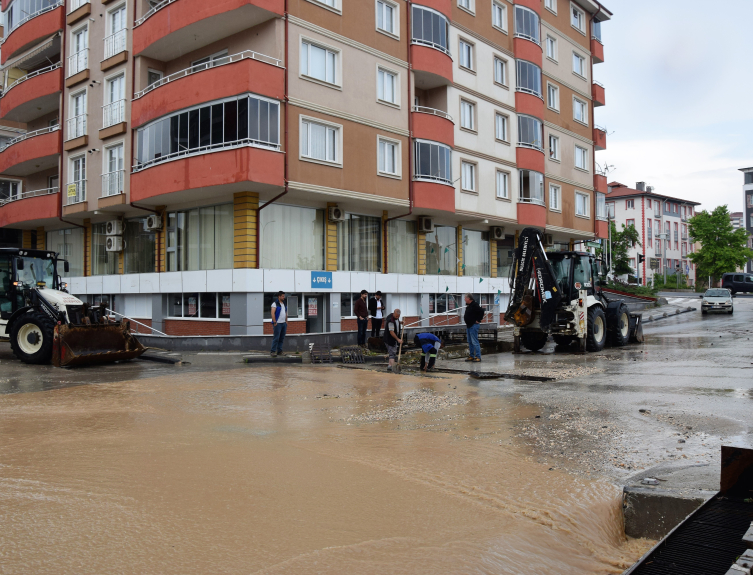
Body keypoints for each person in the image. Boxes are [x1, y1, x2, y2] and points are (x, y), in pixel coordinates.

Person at [463, 293, 485, 362]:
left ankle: (478, 356)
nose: (464, 299)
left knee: (475, 341)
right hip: (469, 325)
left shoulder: (474, 305)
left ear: (469, 298)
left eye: (465, 298)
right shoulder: (469, 306)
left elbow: (481, 311)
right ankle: (471, 355)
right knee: (470, 341)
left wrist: (478, 320)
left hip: (473, 325)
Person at [270, 291, 287, 357]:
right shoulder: (275, 304)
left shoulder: (284, 303)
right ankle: (273, 351)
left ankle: (279, 351)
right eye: (282, 296)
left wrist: (286, 321)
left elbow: (285, 312)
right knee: (276, 338)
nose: (284, 297)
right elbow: (272, 313)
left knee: (281, 338)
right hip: (277, 323)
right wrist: (274, 322)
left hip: (283, 323)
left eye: (284, 296)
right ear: (279, 296)